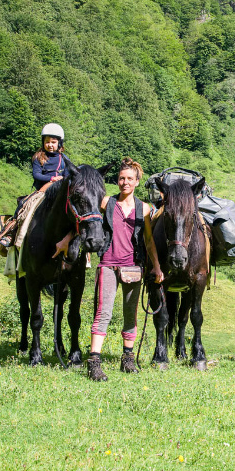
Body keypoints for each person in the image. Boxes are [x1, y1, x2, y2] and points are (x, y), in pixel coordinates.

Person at [87, 158, 155, 382]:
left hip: (133, 266)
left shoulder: (143, 209)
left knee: (130, 313)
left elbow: (148, 239)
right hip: (108, 262)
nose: (124, 182)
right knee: (103, 313)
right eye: (121, 178)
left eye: (129, 179)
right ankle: (94, 362)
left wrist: (157, 266)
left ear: (137, 181)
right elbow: (88, 220)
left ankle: (127, 360)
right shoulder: (106, 202)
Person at [0, 124, 69, 249]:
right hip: (42, 191)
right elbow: (36, 175)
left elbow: (69, 175)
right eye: (47, 142)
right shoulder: (38, 157)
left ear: (59, 143)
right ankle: (11, 232)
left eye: (53, 142)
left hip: (60, 191)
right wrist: (51, 179)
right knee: (23, 204)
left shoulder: (64, 159)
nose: (50, 145)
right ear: (43, 142)